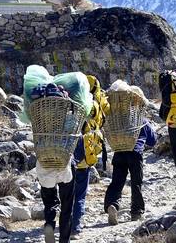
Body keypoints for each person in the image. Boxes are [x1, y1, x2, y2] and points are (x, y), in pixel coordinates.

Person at [71, 75, 108, 238]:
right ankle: (75, 228)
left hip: (66, 155)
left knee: (66, 194)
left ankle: (65, 224)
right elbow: (101, 121)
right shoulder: (93, 104)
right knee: (80, 194)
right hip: (85, 156)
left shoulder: (68, 103)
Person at [104, 121, 157, 225]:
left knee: (116, 183)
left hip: (119, 153)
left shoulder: (118, 120)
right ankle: (136, 213)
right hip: (135, 154)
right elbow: (152, 141)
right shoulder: (142, 120)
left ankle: (112, 204)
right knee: (136, 183)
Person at [41, 160, 76, 243]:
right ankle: (64, 240)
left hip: (45, 167)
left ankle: (49, 223)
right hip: (64, 168)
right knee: (67, 206)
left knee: (49, 201)